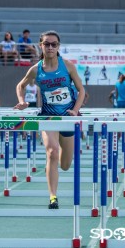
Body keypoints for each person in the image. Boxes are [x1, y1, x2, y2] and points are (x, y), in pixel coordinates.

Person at [14, 30, 86, 209]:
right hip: (47, 116)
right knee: (52, 152)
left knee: (66, 164)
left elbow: (82, 91)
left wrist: (75, 110)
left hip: (67, 117)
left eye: (54, 44)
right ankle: (53, 197)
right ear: (41, 46)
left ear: (58, 47)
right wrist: (22, 101)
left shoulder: (68, 66)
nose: (51, 47)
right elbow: (20, 85)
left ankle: (58, 160)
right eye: (47, 44)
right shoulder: (35, 69)